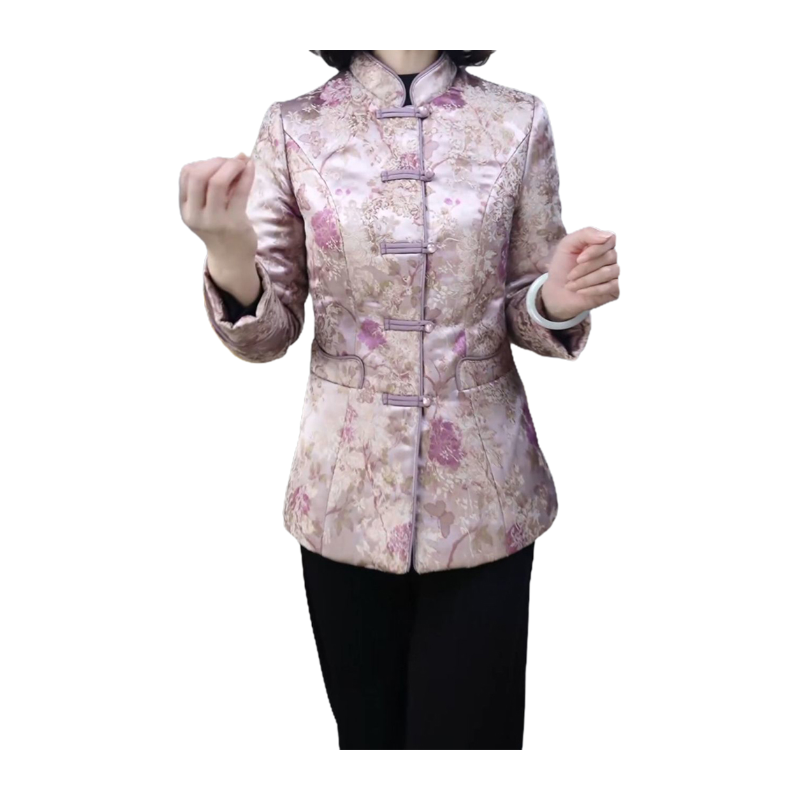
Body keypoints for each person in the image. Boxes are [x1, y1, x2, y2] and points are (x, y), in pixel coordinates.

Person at [178, 49, 620, 750]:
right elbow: (269, 333)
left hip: (486, 499)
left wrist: (555, 299)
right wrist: (229, 250)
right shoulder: (295, 126)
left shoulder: (516, 120)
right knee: (369, 745)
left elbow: (524, 300)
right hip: (341, 499)